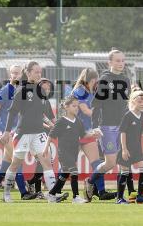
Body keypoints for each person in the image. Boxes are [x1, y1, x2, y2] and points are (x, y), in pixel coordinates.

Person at [0, 61, 61, 203]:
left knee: (46, 161)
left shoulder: (42, 91)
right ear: (28, 73)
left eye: (40, 72)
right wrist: (7, 131)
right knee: (15, 164)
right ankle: (6, 194)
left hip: (39, 133)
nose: (39, 74)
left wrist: (56, 125)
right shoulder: (21, 90)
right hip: (23, 134)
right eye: (36, 72)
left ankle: (52, 195)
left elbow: (49, 113)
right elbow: (12, 112)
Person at [89, 49, 132, 200]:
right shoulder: (104, 80)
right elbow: (96, 105)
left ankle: (121, 197)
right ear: (110, 63)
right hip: (107, 126)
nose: (121, 63)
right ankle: (90, 182)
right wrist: (95, 126)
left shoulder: (126, 80)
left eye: (122, 60)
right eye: (117, 61)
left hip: (122, 127)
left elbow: (127, 104)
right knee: (110, 163)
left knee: (124, 162)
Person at [45, 95, 101, 204]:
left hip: (73, 152)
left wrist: (94, 134)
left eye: (77, 106)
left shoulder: (78, 121)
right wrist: (46, 148)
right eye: (73, 106)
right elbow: (51, 135)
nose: (76, 108)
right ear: (66, 107)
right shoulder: (61, 121)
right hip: (64, 153)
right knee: (74, 172)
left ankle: (51, 194)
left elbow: (83, 135)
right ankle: (76, 197)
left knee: (65, 174)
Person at [0, 65, 29, 199]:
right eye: (13, 73)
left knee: (6, 162)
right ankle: (24, 192)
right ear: (9, 75)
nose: (16, 76)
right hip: (5, 131)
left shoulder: (22, 91)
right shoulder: (5, 91)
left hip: (17, 131)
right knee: (17, 160)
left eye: (18, 73)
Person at [70, 68, 105, 201]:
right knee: (69, 164)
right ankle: (55, 189)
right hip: (76, 132)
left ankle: (101, 191)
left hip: (87, 131)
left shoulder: (91, 92)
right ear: (92, 80)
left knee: (97, 162)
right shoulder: (80, 90)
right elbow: (84, 110)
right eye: (96, 81)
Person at [116, 88, 143, 204]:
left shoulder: (142, 115)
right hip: (126, 149)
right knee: (125, 173)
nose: (142, 104)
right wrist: (124, 149)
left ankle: (139, 196)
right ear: (133, 101)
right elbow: (122, 132)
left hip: (137, 149)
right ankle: (119, 198)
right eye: (139, 102)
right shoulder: (128, 115)